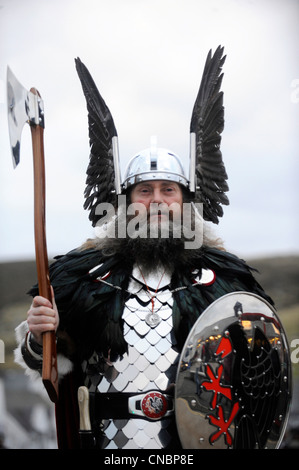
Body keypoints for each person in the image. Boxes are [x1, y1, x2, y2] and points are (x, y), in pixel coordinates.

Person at [14, 47, 274, 449]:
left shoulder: (227, 279)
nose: (156, 200)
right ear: (126, 202)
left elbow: (258, 375)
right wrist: (37, 334)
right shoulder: (82, 277)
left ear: (186, 202)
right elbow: (50, 363)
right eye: (144, 191)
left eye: (168, 190)